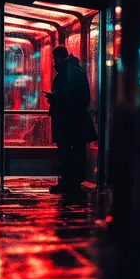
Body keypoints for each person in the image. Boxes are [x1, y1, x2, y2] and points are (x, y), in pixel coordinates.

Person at [44, 45, 97, 193]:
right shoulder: (74, 71)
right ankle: (73, 181)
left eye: (55, 59)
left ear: (61, 57)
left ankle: (68, 182)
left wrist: (56, 98)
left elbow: (75, 97)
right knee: (74, 152)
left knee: (68, 153)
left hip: (69, 121)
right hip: (73, 120)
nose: (54, 62)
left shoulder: (70, 73)